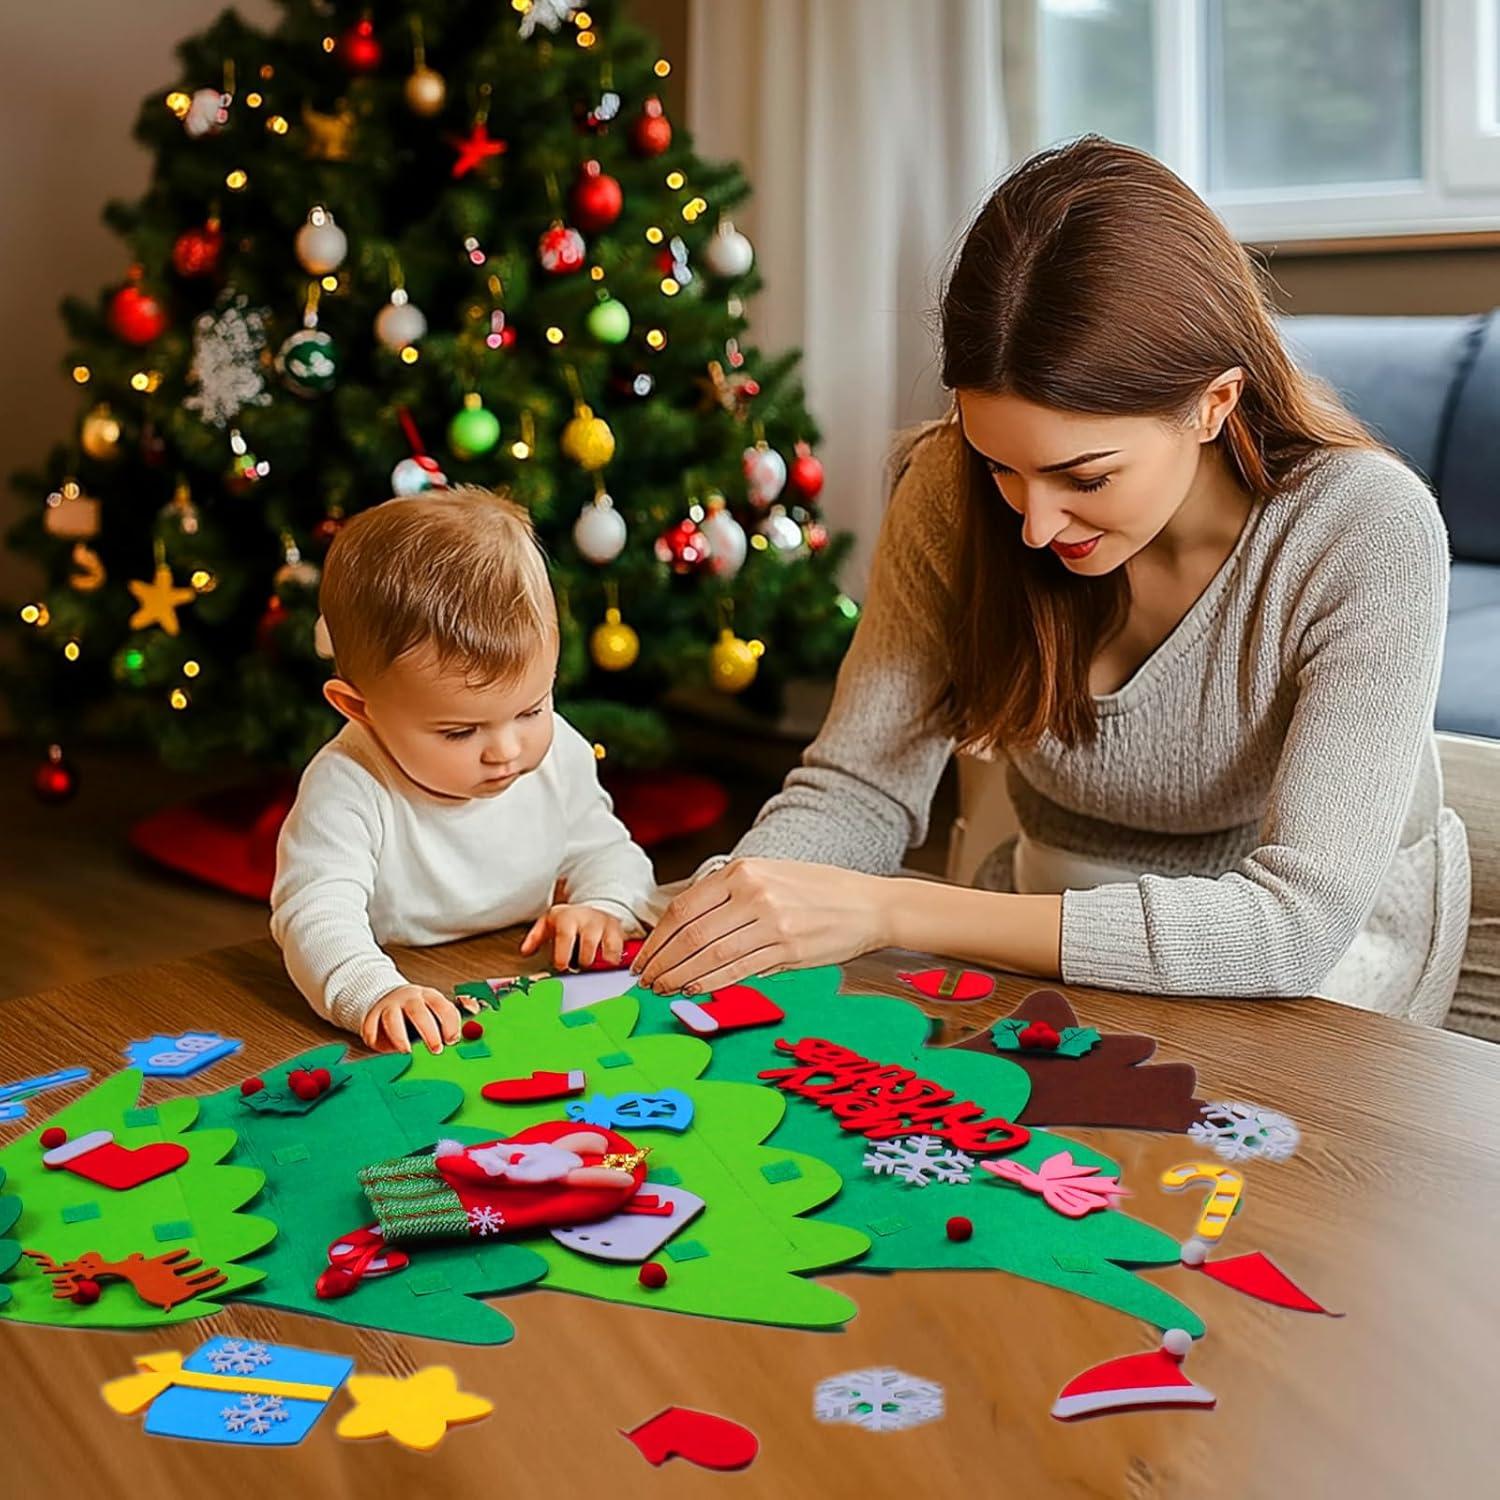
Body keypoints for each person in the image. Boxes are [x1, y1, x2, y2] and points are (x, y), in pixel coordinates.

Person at [632, 137, 1470, 1026]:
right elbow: (858, 787)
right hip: (1040, 932)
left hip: (1316, 985)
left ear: (1212, 405)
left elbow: (1293, 929)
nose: (1033, 526)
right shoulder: (949, 493)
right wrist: (735, 920)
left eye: (1086, 478)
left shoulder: (1365, 530)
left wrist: (889, 909)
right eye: (1001, 466)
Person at [271, 487, 660, 1052]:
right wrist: (375, 992)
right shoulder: (349, 785)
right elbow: (314, 911)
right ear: (360, 708)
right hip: (411, 978)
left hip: (518, 966)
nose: (505, 749)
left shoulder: (559, 753)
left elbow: (607, 851)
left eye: (532, 709)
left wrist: (604, 905)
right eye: (459, 731)